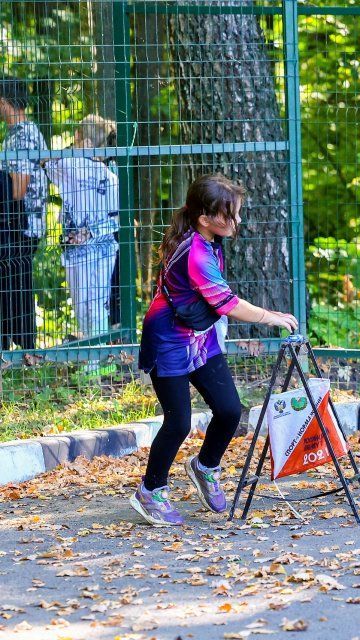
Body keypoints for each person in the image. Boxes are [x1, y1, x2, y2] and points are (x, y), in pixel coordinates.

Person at [131, 173, 298, 527]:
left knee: (229, 410)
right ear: (205, 219)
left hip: (199, 336)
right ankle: (149, 492)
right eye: (230, 215)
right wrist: (272, 317)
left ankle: (205, 467)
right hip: (169, 340)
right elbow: (227, 303)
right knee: (178, 423)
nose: (236, 221)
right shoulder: (194, 252)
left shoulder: (210, 240)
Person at [44, 115, 119, 340]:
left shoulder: (69, 164)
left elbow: (44, 161)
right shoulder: (111, 177)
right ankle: (97, 360)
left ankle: (92, 362)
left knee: (82, 306)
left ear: (81, 138)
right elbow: (117, 220)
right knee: (97, 304)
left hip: (77, 250)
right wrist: (93, 232)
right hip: (105, 249)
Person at [0, 75, 48, 350]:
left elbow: (18, 188)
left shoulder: (23, 134)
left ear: (5, 102)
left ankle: (24, 350)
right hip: (18, 224)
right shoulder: (20, 132)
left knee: (15, 289)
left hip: (22, 226)